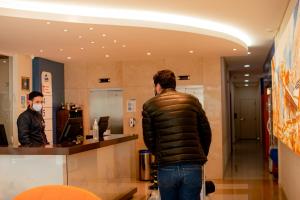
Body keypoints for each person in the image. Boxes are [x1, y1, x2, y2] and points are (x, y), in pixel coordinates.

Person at [142, 70, 212, 200]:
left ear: (158, 86)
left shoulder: (149, 106)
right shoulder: (192, 101)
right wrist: (201, 154)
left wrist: (160, 154)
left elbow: (149, 139)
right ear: (174, 85)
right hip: (192, 166)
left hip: (166, 168)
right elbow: (206, 132)